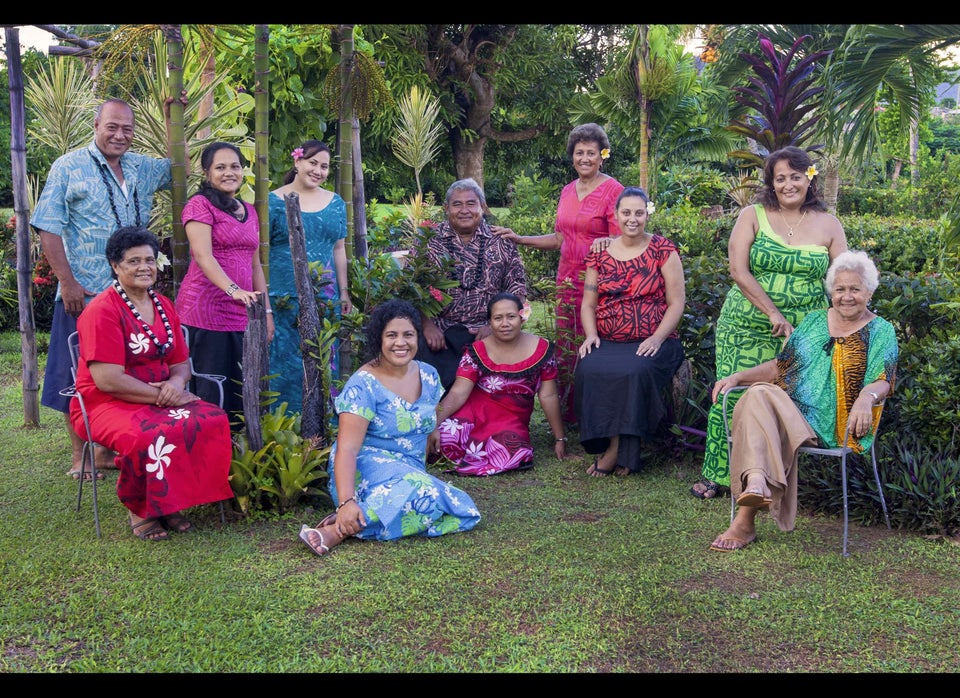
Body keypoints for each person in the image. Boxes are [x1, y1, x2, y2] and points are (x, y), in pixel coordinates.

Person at [32, 94, 186, 480]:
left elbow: (176, 165)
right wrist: (66, 282)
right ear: (96, 127)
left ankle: (106, 450)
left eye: (127, 129)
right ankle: (81, 455)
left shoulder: (140, 167)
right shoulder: (69, 167)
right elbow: (48, 226)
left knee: (127, 369)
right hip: (86, 294)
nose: (119, 135)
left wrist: (175, 117)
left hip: (136, 297)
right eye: (112, 127)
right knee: (78, 373)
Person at [709, 250, 898, 552]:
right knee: (757, 392)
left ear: (870, 292)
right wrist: (738, 377)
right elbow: (779, 367)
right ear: (830, 292)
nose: (846, 296)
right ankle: (755, 485)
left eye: (854, 289)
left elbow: (883, 379)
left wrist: (866, 396)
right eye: (839, 289)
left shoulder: (881, 331)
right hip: (792, 413)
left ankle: (746, 515)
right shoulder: (813, 322)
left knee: (758, 401)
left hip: (840, 425)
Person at [690, 145, 848, 501]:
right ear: (771, 183)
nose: (788, 184)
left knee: (782, 401)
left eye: (796, 176)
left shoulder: (830, 224)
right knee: (731, 396)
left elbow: (842, 279)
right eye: (781, 178)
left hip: (801, 335)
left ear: (810, 180)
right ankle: (719, 475)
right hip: (745, 326)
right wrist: (772, 312)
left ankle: (769, 476)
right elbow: (738, 269)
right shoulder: (752, 215)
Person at [71, 226, 234, 541]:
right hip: (106, 402)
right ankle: (142, 510)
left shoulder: (162, 304)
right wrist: (165, 396)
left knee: (211, 419)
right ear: (116, 266)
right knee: (145, 435)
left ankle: (171, 501)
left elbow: (180, 363)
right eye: (133, 261)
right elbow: (107, 380)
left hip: (161, 394)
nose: (144, 267)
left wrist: (176, 382)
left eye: (149, 259)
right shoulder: (101, 311)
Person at [298, 299, 481, 557]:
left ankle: (359, 516)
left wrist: (432, 429)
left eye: (408, 334)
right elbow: (348, 449)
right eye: (391, 335)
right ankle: (340, 528)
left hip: (408, 470)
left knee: (462, 510)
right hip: (365, 467)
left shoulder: (428, 374)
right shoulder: (363, 384)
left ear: (418, 337)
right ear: (379, 339)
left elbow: (429, 411)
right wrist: (346, 500)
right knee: (426, 493)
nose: (400, 343)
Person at [494, 123, 624, 423]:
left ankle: (596, 413)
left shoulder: (613, 190)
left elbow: (622, 240)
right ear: (572, 156)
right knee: (567, 346)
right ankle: (570, 413)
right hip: (566, 282)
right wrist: (520, 238)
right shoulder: (567, 191)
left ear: (602, 156)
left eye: (592, 153)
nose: (585, 158)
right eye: (579, 153)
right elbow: (559, 239)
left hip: (598, 285)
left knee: (595, 345)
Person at [574, 187, 685, 477]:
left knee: (635, 371)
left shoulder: (663, 249)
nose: (632, 219)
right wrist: (590, 335)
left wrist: (658, 337)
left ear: (647, 214)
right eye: (626, 213)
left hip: (655, 339)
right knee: (589, 367)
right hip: (609, 339)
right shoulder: (599, 254)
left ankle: (616, 451)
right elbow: (588, 303)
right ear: (616, 215)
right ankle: (614, 443)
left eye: (639, 212)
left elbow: (677, 303)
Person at [175, 142, 274, 426]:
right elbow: (203, 257)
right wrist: (234, 291)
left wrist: (266, 312)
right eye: (220, 167)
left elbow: (255, 265)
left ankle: (236, 455)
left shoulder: (249, 210)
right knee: (210, 389)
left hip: (242, 314)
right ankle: (206, 451)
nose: (229, 172)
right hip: (205, 313)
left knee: (241, 387)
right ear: (207, 174)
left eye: (235, 166)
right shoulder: (199, 205)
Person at [426, 292, 567, 476]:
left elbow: (548, 395)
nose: (505, 324)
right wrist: (433, 424)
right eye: (498, 318)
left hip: (511, 419)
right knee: (444, 438)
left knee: (510, 450)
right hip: (474, 413)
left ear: (521, 316)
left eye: (511, 317)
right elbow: (458, 393)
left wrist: (560, 438)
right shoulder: (477, 351)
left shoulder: (542, 349)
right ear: (490, 322)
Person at [418, 178, 527, 391]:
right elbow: (413, 288)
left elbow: (517, 289)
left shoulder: (501, 240)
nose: (464, 210)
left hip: (487, 331)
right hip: (440, 333)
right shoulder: (429, 241)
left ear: (482, 207)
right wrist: (426, 325)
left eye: (471, 203)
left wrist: (493, 326)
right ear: (446, 208)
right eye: (457, 204)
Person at [268, 140, 350, 415]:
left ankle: (324, 426)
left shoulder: (336, 203)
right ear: (297, 162)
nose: (318, 170)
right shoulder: (273, 201)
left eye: (324, 166)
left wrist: (344, 292)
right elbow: (260, 254)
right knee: (284, 365)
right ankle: (282, 428)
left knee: (323, 362)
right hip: (283, 297)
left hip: (324, 299)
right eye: (312, 163)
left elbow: (339, 250)